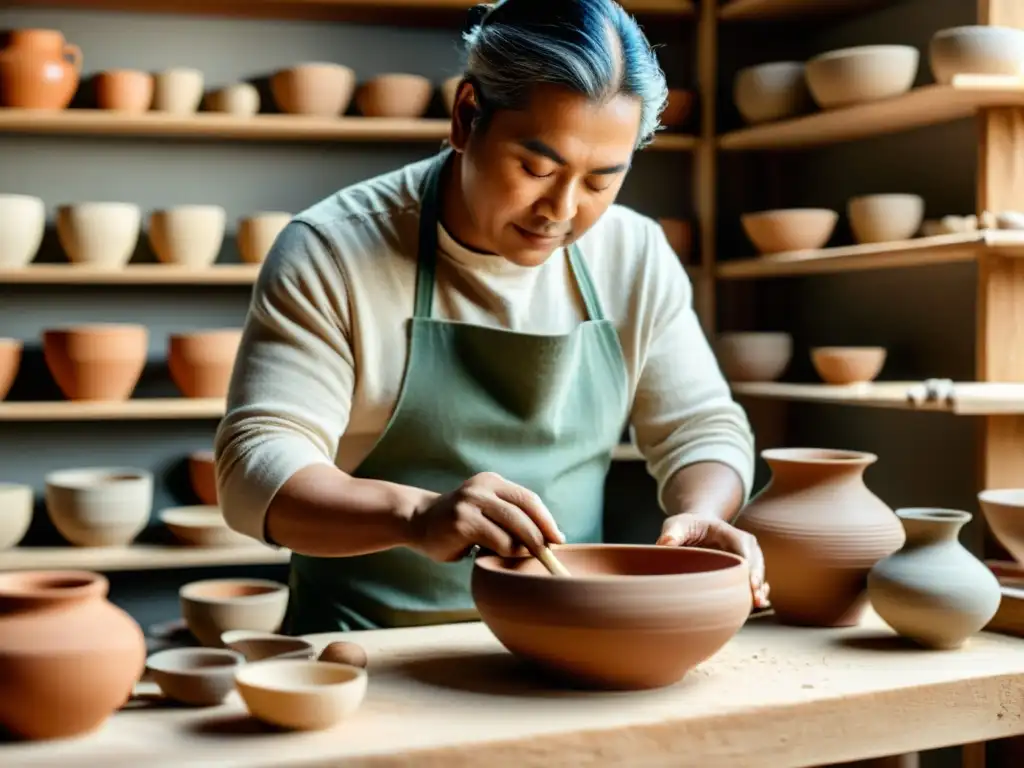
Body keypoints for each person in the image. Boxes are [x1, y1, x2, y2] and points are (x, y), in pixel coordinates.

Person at [214, 0, 768, 635]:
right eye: (536, 167)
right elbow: (254, 470)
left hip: (567, 637)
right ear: (466, 115)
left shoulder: (632, 251)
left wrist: (703, 512)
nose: (559, 209)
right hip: (367, 649)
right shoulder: (334, 249)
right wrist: (417, 516)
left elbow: (700, 426)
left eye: (599, 182)